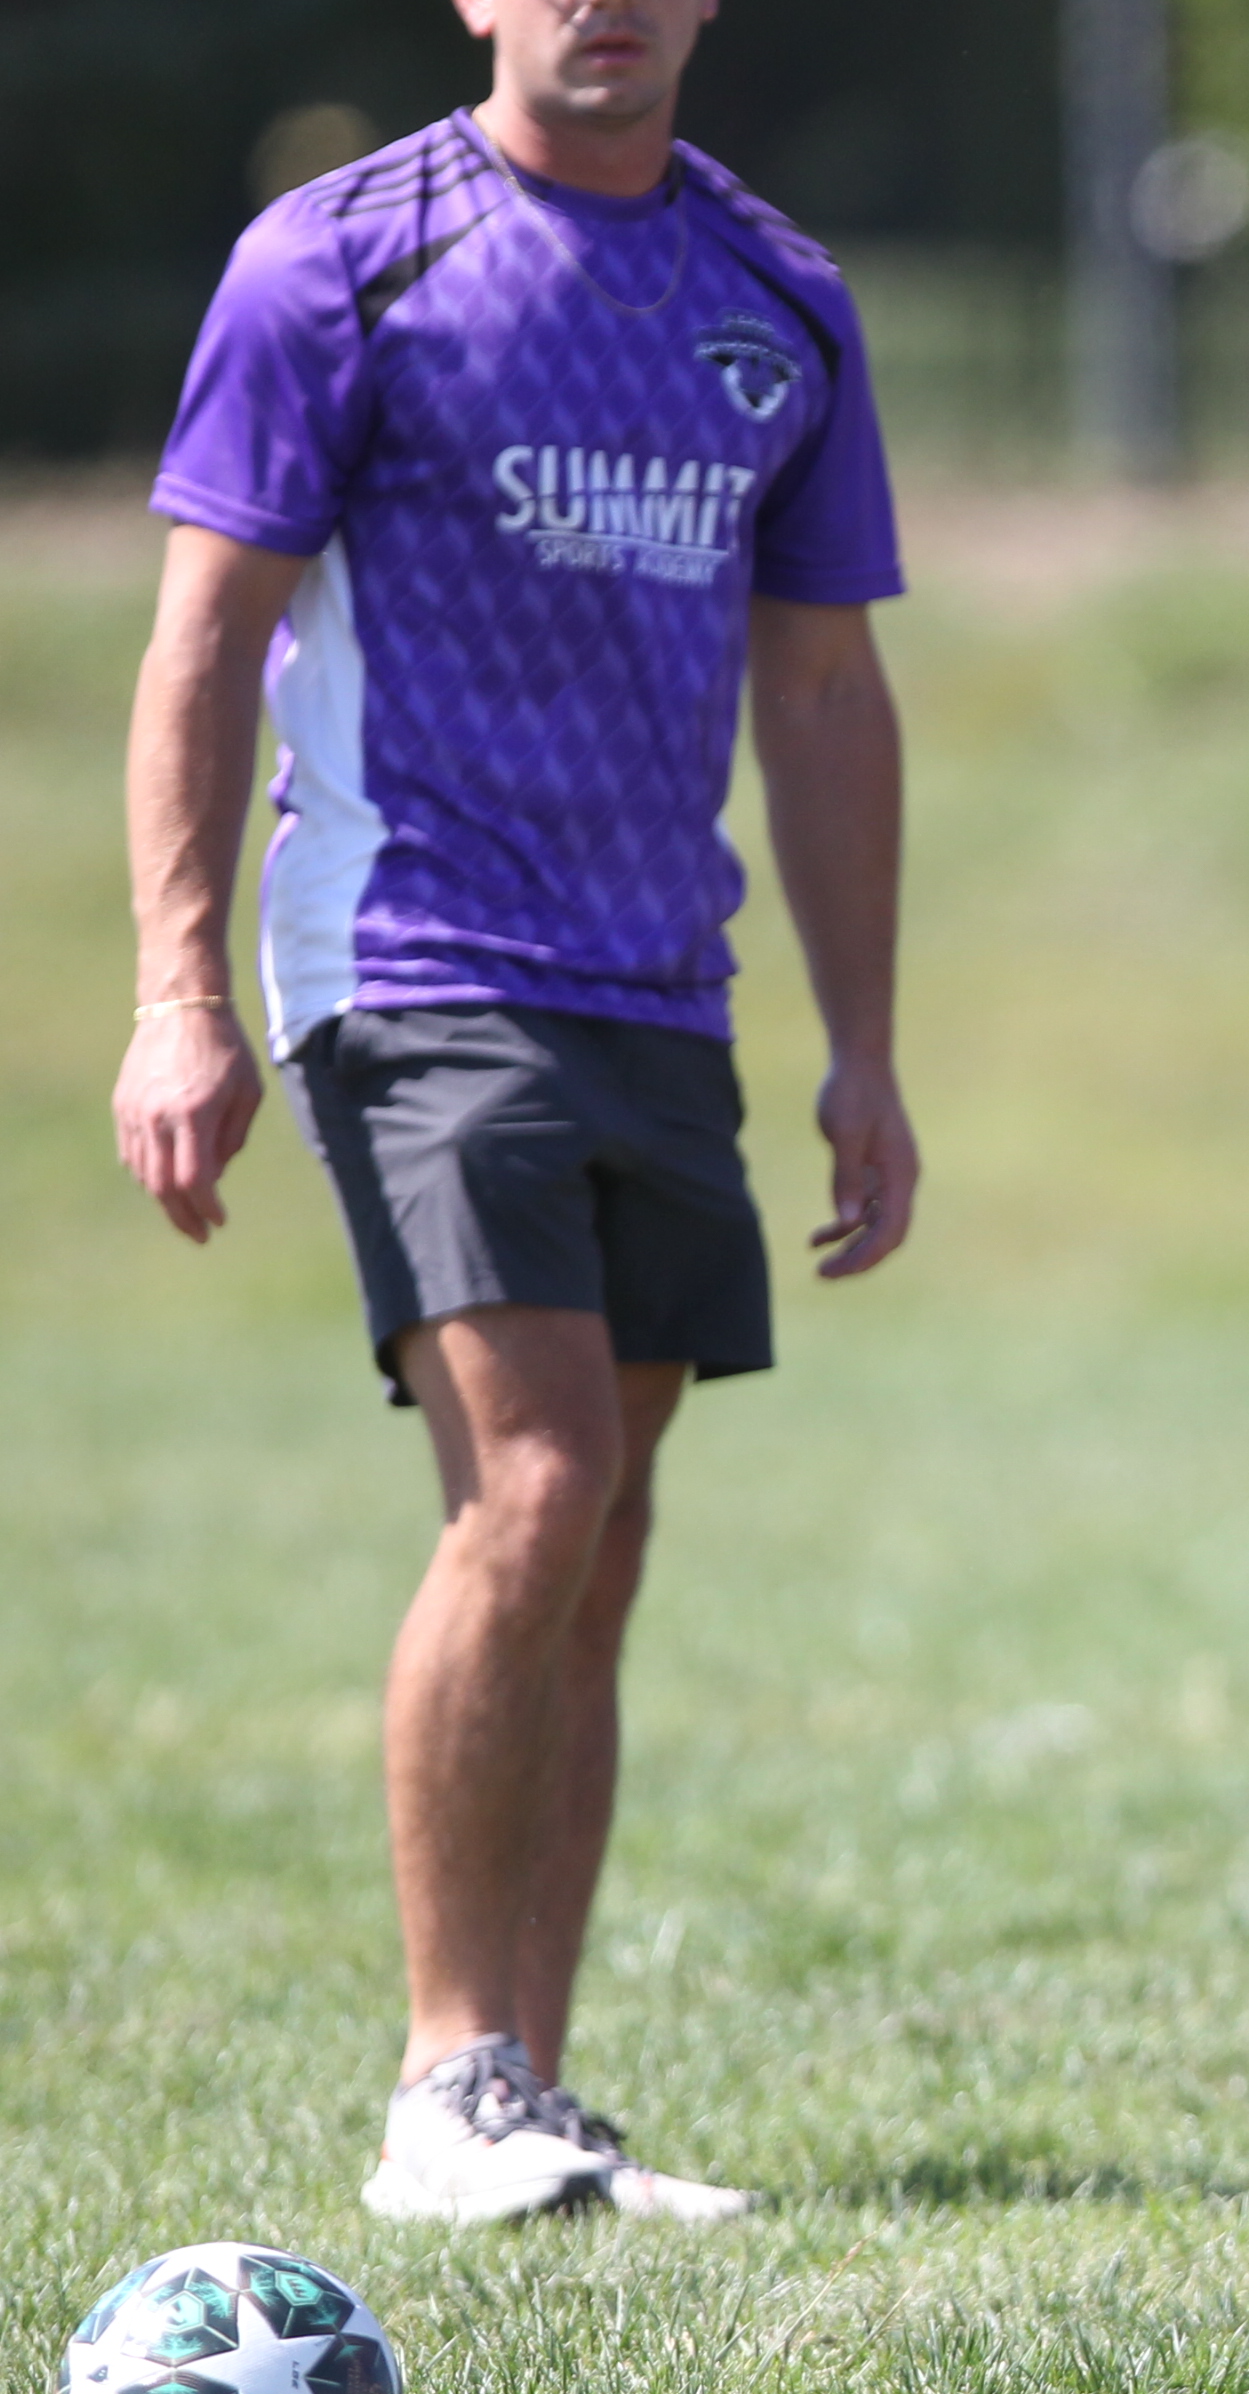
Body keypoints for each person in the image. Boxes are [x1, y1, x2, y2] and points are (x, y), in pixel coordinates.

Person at [112, 0, 914, 2225]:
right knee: (539, 1480)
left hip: (658, 984)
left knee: (606, 1525)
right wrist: (179, 994)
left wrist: (863, 1041)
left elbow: (823, 684)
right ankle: (442, 2083)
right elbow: (204, 636)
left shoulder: (776, 297)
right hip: (411, 954)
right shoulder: (340, 261)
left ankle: (525, 2102)